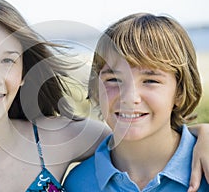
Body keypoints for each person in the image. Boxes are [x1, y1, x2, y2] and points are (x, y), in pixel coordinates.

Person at [0, 0, 207, 191]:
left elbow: (139, 129)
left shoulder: (60, 138)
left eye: (8, 60)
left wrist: (202, 134)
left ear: (24, 72)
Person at [63, 13, 209, 191]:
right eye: (114, 79)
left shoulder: (205, 169)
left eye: (150, 81)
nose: (130, 97)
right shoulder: (78, 183)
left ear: (179, 92)